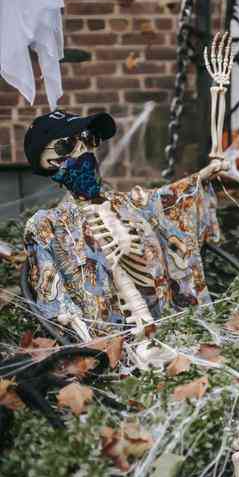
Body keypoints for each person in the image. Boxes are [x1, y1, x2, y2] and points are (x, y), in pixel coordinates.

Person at [22, 109, 228, 341]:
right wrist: (87, 344)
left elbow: (163, 201)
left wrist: (201, 177)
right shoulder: (47, 223)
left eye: (90, 139)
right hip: (108, 339)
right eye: (67, 144)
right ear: (44, 161)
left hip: (166, 327)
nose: (85, 151)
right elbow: (53, 297)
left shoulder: (122, 203)